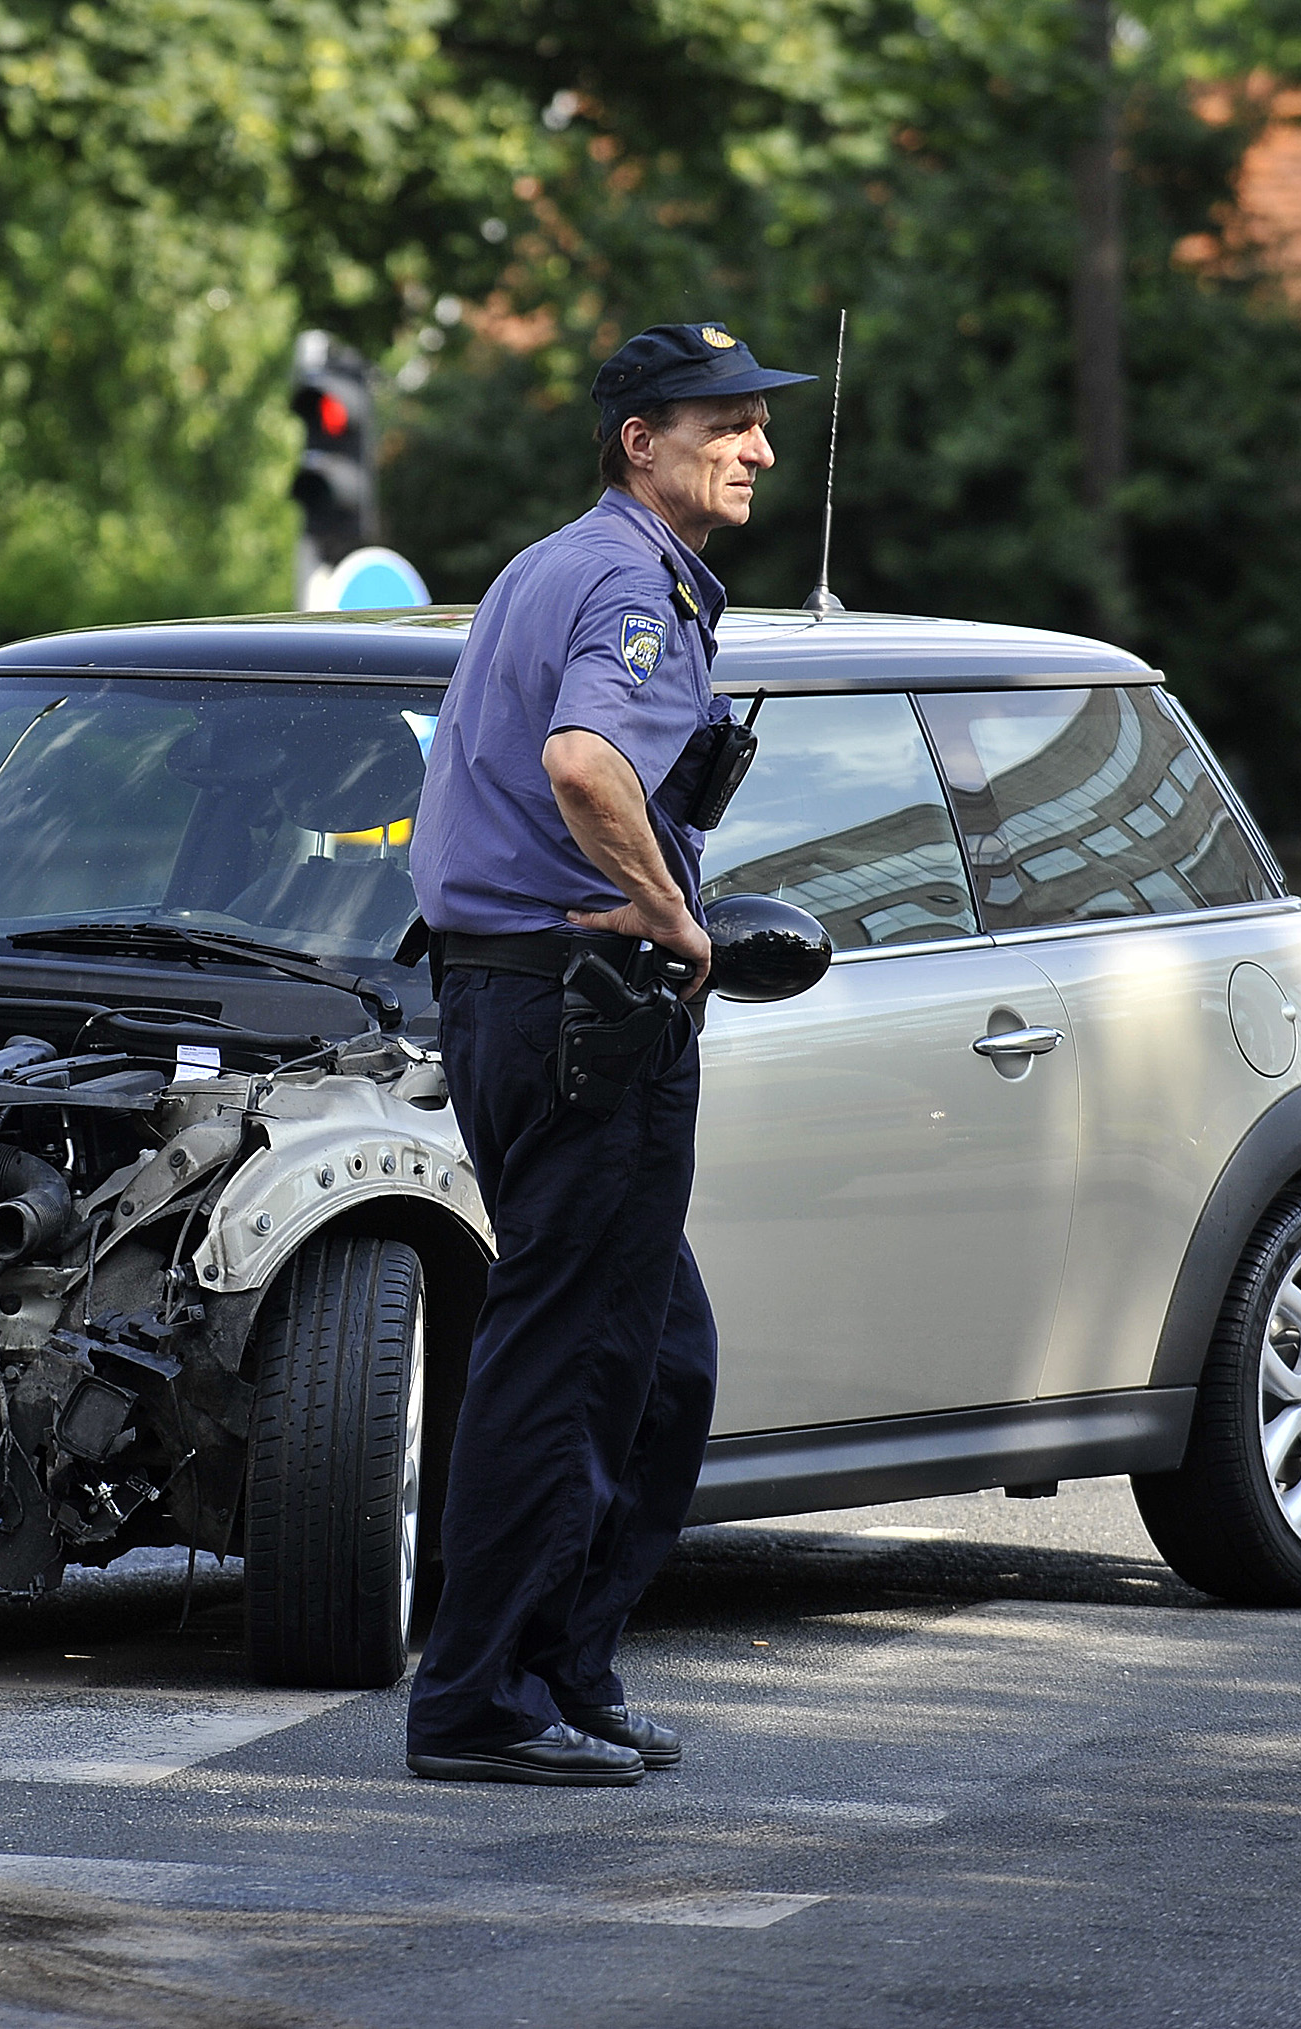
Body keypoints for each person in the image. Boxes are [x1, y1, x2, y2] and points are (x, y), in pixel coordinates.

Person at [402, 322, 813, 1786]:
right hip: (584, 1005)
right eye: (727, 423)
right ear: (641, 439)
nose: (759, 447)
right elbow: (585, 766)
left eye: (763, 423)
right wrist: (677, 923)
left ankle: (563, 1662)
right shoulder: (629, 581)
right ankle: (477, 1701)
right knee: (569, 1359)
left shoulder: (556, 565)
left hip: (521, 1000)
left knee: (660, 1360)